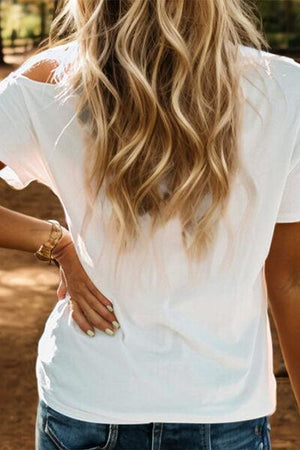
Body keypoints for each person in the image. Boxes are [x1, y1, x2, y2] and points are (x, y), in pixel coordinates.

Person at [0, 0, 299, 448]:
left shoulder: (50, 80)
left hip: (86, 399)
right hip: (222, 409)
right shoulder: (285, 89)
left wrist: (55, 242)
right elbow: (290, 280)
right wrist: (56, 242)